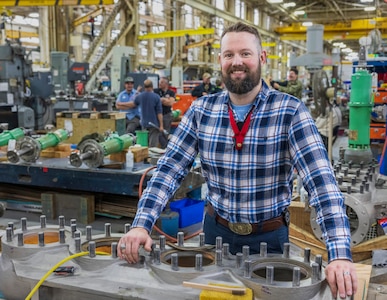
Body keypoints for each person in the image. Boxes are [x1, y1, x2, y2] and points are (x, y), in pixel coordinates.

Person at [118, 22, 357, 299]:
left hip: (269, 238)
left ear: (262, 58)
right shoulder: (201, 111)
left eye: (245, 53)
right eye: (229, 55)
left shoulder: (290, 111)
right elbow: (168, 170)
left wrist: (339, 254)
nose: (237, 62)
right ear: (220, 60)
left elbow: (321, 184)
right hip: (214, 235)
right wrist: (141, 224)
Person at [130, 79, 164, 148]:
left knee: (144, 143)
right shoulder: (156, 97)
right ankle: (151, 158)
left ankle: (144, 157)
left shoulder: (140, 96)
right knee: (153, 145)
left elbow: (133, 103)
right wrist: (161, 125)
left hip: (144, 123)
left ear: (144, 87)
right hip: (154, 124)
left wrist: (137, 91)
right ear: (152, 86)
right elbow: (159, 113)